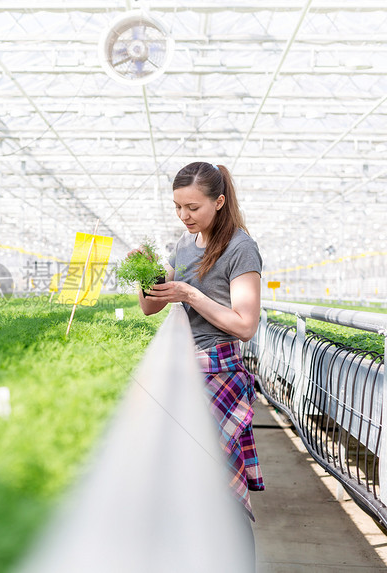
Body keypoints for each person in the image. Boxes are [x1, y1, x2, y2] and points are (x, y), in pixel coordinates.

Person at [133, 161, 263, 562]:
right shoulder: (184, 246)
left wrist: (190, 295)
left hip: (219, 373)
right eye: (177, 207)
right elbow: (149, 308)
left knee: (221, 485)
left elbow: (245, 325)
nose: (184, 216)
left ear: (219, 202)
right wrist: (146, 273)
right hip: (185, 370)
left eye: (193, 207)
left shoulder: (240, 247)